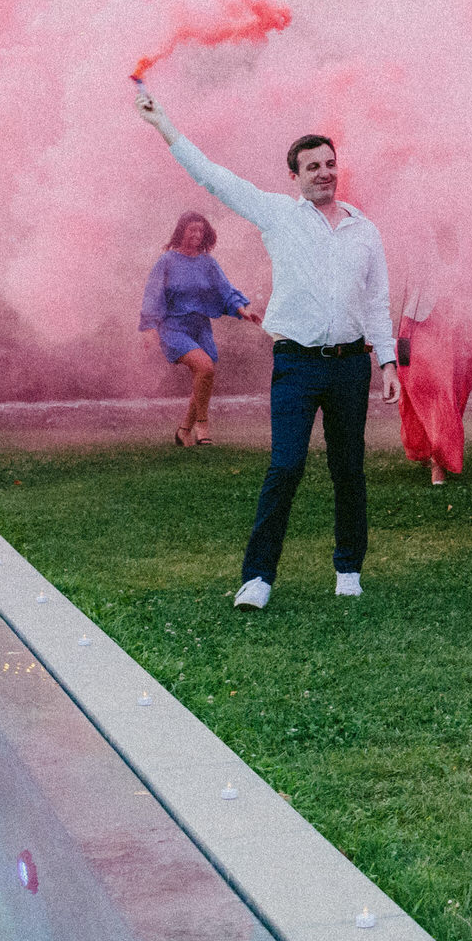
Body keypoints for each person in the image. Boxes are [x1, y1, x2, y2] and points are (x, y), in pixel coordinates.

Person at [135, 92, 398, 612]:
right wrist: (165, 125)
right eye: (312, 167)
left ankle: (348, 569)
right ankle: (258, 578)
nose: (323, 173)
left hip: (349, 365)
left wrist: (386, 361)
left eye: (329, 164)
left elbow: (377, 300)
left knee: (349, 469)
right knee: (286, 467)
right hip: (296, 365)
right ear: (295, 177)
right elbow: (213, 176)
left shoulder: (364, 230)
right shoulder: (278, 215)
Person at [139, 210, 261, 447]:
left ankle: (183, 430)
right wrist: (149, 327)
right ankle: (202, 425)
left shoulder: (207, 262)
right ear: (181, 231)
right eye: (192, 230)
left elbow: (224, 290)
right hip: (173, 327)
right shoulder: (167, 261)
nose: (196, 234)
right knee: (204, 367)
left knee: (204, 375)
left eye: (200, 231)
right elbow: (153, 293)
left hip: (200, 326)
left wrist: (242, 310)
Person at [397, 222, 472, 486]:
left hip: (456, 327)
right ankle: (433, 455)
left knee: (451, 391)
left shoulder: (469, 245)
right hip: (421, 325)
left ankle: (438, 454)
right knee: (422, 388)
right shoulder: (419, 242)